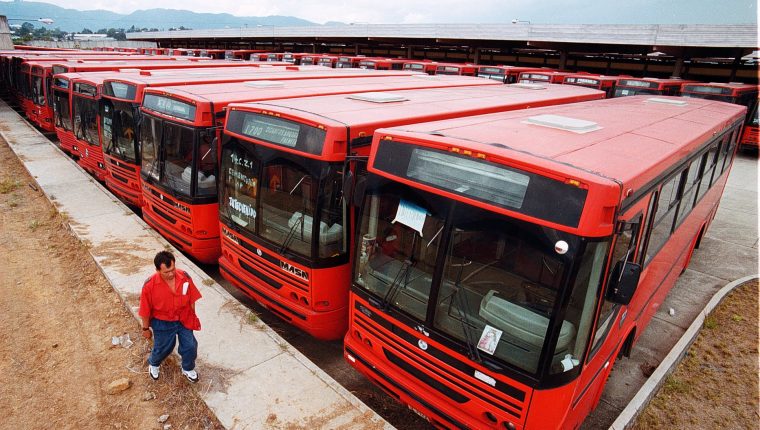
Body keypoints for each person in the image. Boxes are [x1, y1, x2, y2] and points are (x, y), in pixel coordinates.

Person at [139, 251, 202, 383]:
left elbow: (192, 299)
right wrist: (145, 329)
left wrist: (193, 316)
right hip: (163, 321)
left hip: (183, 317)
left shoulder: (184, 277)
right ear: (157, 270)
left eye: (172, 269)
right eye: (166, 272)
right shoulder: (149, 286)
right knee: (163, 347)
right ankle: (154, 363)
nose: (171, 274)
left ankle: (187, 368)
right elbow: (145, 311)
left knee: (190, 345)